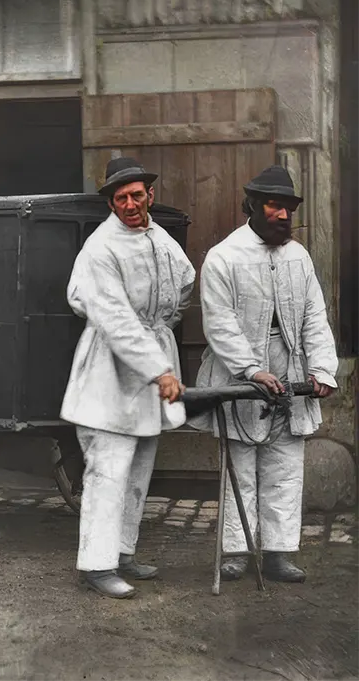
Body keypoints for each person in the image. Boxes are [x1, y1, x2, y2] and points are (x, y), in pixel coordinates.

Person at [61, 156, 195, 599]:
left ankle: (122, 552)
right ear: (111, 204)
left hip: (151, 365)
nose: (131, 204)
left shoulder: (161, 238)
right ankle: (96, 566)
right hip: (108, 371)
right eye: (121, 198)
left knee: (140, 466)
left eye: (137, 194)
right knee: (108, 467)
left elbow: (186, 281)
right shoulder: (101, 248)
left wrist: (163, 327)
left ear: (150, 195)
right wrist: (159, 369)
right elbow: (116, 320)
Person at [196, 165, 338, 583]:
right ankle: (237, 552)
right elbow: (219, 322)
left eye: (288, 208)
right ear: (253, 206)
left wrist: (323, 368)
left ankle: (278, 552)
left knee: (285, 465)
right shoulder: (224, 257)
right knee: (241, 465)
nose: (282, 215)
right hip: (239, 367)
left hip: (291, 366)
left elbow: (315, 314)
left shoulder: (299, 256)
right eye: (274, 206)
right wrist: (250, 369)